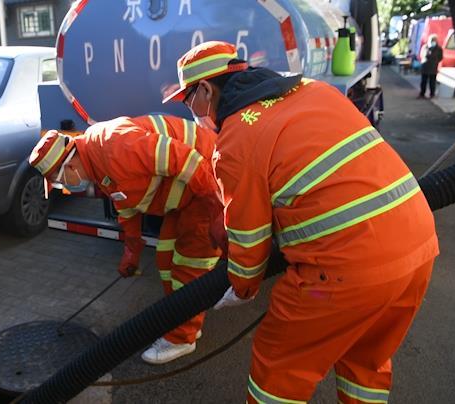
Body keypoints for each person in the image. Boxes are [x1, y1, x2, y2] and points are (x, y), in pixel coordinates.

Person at [164, 41, 439, 403]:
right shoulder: (313, 89)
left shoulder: (236, 138)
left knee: (277, 368)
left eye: (189, 101)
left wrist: (242, 289)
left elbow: (248, 238)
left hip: (344, 270)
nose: (193, 112)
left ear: (205, 90)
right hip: (418, 248)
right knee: (364, 361)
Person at [28, 115, 223, 364]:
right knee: (165, 259)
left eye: (57, 180)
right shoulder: (96, 162)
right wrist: (131, 252)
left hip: (209, 181)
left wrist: (218, 211)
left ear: (69, 166)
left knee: (188, 266)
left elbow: (188, 160)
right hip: (188, 196)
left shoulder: (116, 146)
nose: (62, 186)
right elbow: (126, 206)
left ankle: (183, 339)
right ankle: (184, 317)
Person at [418, 34, 443, 98]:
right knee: (424, 81)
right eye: (432, 40)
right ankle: (422, 93)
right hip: (425, 66)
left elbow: (440, 57)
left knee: (432, 82)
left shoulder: (439, 49)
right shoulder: (425, 47)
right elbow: (421, 55)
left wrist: (435, 61)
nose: (433, 42)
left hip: (433, 67)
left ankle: (432, 94)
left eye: (434, 40)